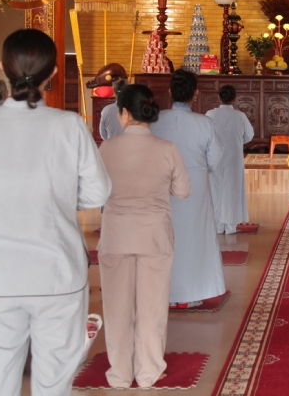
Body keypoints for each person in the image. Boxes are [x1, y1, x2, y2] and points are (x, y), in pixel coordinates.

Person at [0, 29, 112, 396]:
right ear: (54, 72)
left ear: (2, 69)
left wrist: (1, 200)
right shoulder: (67, 125)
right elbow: (98, 192)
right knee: (53, 383)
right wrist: (52, 199)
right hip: (56, 273)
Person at [98, 84, 191, 388]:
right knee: (152, 306)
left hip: (116, 237)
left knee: (116, 307)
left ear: (123, 113)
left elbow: (96, 193)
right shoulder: (166, 148)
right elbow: (182, 191)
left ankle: (120, 374)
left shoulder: (106, 148)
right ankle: (149, 371)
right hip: (154, 236)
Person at [151, 70, 226, 307]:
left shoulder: (156, 120)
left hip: (161, 187)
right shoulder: (204, 123)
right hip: (194, 187)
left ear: (171, 92)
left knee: (162, 239)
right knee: (194, 239)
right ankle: (192, 293)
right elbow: (215, 158)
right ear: (195, 94)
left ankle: (163, 293)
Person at [206, 85, 254, 234]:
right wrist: (237, 141)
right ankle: (231, 226)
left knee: (215, 190)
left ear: (219, 98)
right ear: (234, 99)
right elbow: (249, 135)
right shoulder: (240, 116)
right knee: (232, 190)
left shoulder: (210, 115)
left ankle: (217, 225)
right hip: (233, 158)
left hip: (215, 157)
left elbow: (205, 135)